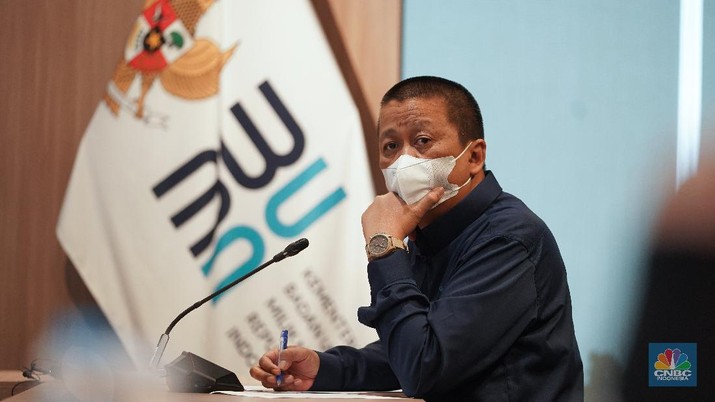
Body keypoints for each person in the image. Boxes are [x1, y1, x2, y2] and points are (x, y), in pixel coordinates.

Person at [250, 76, 583, 401]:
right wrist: (325, 369)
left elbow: (423, 366)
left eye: (422, 141)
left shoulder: (508, 238)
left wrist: (384, 245)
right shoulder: (429, 235)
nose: (403, 160)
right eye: (391, 146)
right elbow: (408, 348)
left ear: (474, 157)